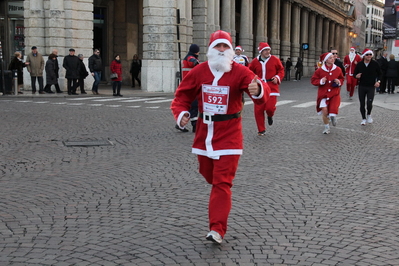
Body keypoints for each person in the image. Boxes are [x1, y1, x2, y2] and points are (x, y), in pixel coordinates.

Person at [171, 30, 270, 244]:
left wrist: (259, 88)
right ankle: (217, 207)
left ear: (231, 50)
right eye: (218, 46)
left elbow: (262, 97)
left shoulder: (241, 72)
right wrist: (181, 114)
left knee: (222, 183)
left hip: (230, 135)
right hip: (204, 134)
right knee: (208, 174)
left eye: (225, 47)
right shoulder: (199, 71)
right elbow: (182, 96)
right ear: (211, 50)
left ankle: (217, 229)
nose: (222, 50)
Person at [249, 42, 284, 135]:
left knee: (270, 107)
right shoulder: (255, 62)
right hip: (260, 88)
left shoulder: (275, 60)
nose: (267, 51)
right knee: (258, 109)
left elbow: (281, 70)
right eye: (265, 50)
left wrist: (277, 77)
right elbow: (249, 72)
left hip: (272, 87)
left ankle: (270, 115)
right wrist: (253, 81)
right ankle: (261, 130)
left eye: (268, 50)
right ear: (261, 51)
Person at [310, 52, 344, 134]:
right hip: (323, 94)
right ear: (326, 60)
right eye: (330, 58)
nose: (333, 59)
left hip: (334, 93)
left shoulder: (338, 69)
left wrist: (338, 81)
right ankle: (326, 127)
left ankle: (332, 117)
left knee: (333, 110)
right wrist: (321, 81)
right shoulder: (320, 70)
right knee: (324, 110)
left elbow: (342, 78)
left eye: (333, 57)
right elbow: (313, 80)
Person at [175, 44, 201, 133]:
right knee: (194, 106)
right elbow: (192, 61)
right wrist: (196, 63)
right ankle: (195, 125)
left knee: (188, 106)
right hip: (191, 87)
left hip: (189, 86)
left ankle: (180, 124)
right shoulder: (190, 57)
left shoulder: (187, 57)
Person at [354, 49, 382, 126]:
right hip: (362, 86)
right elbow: (354, 74)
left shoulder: (375, 64)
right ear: (364, 56)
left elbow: (380, 74)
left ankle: (369, 114)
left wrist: (378, 81)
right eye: (367, 55)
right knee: (362, 103)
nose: (369, 56)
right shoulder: (360, 64)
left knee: (369, 103)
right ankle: (363, 118)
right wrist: (356, 76)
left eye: (370, 54)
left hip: (371, 86)